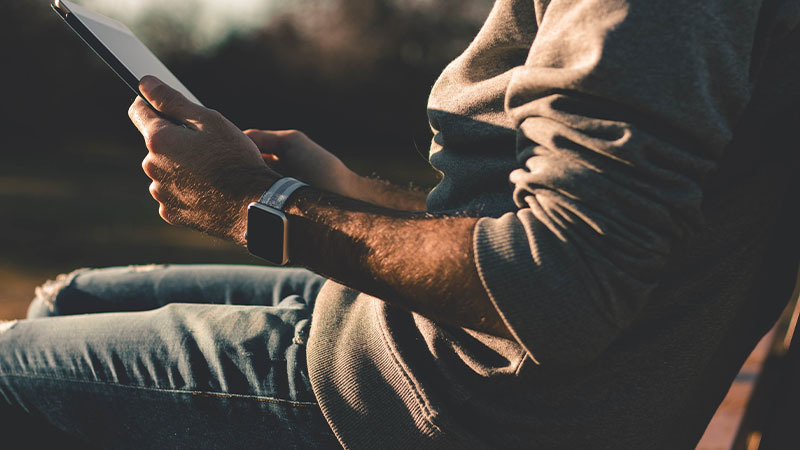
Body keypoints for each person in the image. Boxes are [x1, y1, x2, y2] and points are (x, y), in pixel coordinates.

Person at [3, 0, 800, 448]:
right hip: (451, 348)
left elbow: (564, 284)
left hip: (467, 400)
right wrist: (345, 190)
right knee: (68, 300)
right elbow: (560, 226)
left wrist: (255, 204)